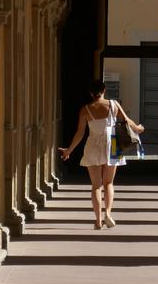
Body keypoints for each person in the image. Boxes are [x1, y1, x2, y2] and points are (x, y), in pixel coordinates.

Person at [58, 79, 145, 229]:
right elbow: (126, 121)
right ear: (104, 90)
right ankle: (108, 214)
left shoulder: (85, 109)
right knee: (108, 183)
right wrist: (137, 128)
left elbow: (79, 134)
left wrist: (69, 151)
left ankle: (98, 220)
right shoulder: (113, 104)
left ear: (90, 93)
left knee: (96, 185)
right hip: (113, 145)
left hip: (93, 146)